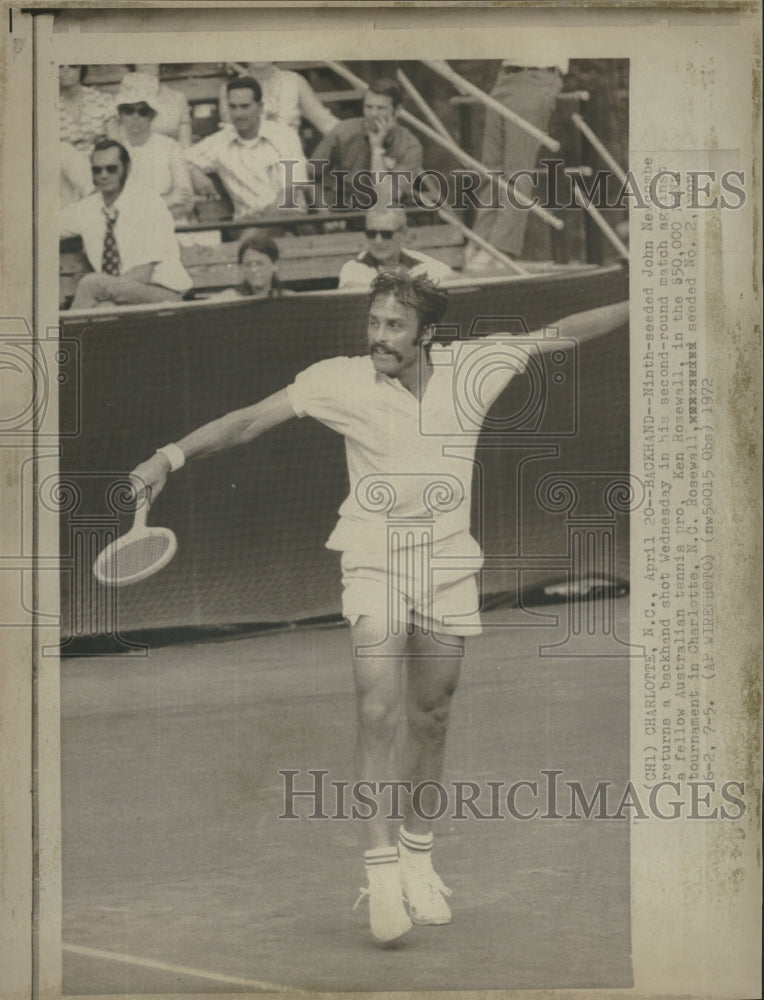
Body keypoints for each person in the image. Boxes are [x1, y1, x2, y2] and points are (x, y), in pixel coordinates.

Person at [129, 269, 628, 944]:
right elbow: (248, 421)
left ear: (428, 334)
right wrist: (168, 456)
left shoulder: (474, 366)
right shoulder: (338, 379)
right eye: (373, 323)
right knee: (377, 707)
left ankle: (420, 857)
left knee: (433, 712)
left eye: (394, 327)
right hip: (373, 556)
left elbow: (561, 335)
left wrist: (642, 301)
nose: (379, 338)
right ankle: (381, 870)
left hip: (448, 561)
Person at [60, 139, 192, 310]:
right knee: (104, 308)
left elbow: (143, 273)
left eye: (111, 168)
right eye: (97, 170)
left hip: (161, 293)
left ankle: (64, 333)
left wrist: (105, 287)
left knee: (91, 283)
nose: (104, 175)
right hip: (118, 293)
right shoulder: (87, 208)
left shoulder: (147, 203)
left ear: (127, 169)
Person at [467, 59, 568, 267]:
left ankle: (500, 250)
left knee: (517, 170)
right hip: (505, 77)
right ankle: (479, 242)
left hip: (537, 76)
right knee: (490, 170)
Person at [185, 77, 309, 220]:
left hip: (291, 219)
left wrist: (264, 221)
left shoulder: (284, 135)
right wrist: (194, 172)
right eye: (233, 107)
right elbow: (179, 159)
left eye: (245, 106)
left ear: (260, 107)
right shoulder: (219, 142)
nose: (238, 114)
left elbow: (290, 193)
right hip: (248, 223)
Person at [312, 78, 423, 209]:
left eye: (381, 108)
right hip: (345, 211)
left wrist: (377, 148)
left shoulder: (409, 146)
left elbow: (386, 197)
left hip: (388, 214)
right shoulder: (344, 132)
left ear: (397, 111)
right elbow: (310, 176)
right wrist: (325, 214)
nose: (373, 114)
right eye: (368, 107)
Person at [115, 73, 194, 222]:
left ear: (151, 115)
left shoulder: (170, 147)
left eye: (143, 111)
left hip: (171, 227)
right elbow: (116, 206)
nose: (135, 117)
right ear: (121, 114)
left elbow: (186, 201)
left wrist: (145, 217)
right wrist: (167, 200)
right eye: (129, 110)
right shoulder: (115, 152)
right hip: (129, 232)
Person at [338, 206, 454, 288]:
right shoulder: (354, 267)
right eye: (372, 234)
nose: (378, 241)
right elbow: (352, 287)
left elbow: (454, 279)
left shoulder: (418, 261)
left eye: (386, 234)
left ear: (403, 234)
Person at [218, 62, 339, 140]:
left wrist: (353, 135)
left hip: (289, 161)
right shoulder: (230, 89)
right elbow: (230, 135)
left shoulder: (294, 81)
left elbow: (326, 123)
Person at [197, 230, 288, 301]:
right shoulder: (229, 299)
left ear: (275, 265)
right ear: (241, 268)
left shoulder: (289, 299)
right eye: (248, 265)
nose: (253, 269)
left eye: (259, 264)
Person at [59, 64, 118, 154]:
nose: (65, 70)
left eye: (72, 66)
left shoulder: (100, 99)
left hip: (98, 164)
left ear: (82, 69)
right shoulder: (46, 106)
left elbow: (115, 144)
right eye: (60, 66)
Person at [130, 64, 192, 148]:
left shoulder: (177, 98)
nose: (146, 65)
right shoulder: (126, 100)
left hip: (171, 154)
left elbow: (185, 140)